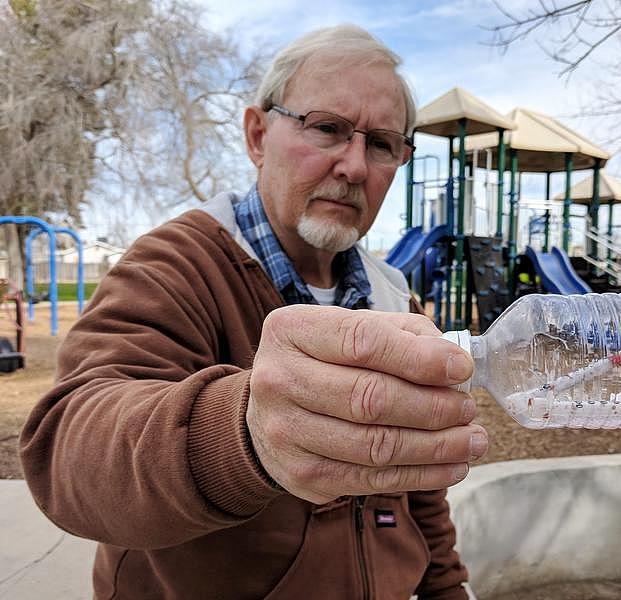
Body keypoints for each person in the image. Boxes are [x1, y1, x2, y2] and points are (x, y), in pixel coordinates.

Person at [19, 24, 487, 600]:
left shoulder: (395, 297)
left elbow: (420, 493)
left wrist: (446, 587)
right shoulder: (176, 265)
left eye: (384, 144)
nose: (355, 166)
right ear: (258, 135)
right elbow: (68, 448)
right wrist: (243, 436)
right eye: (328, 128)